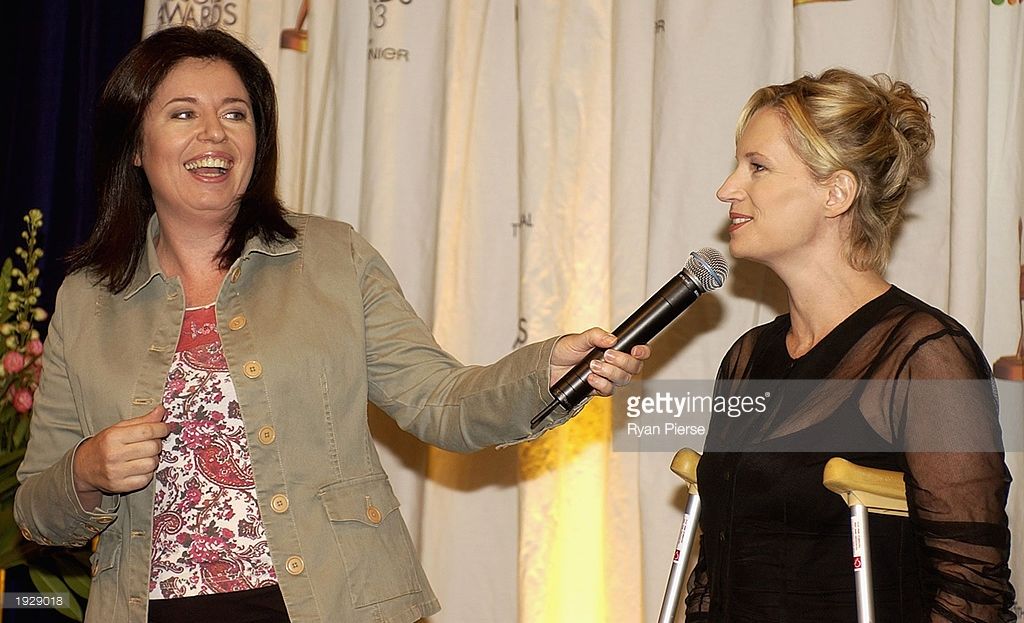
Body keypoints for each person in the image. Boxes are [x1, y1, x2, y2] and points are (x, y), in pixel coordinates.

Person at [13, 26, 650, 623]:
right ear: (134, 145)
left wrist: (544, 372)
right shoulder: (86, 299)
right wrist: (86, 470)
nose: (214, 135)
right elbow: (34, 510)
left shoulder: (332, 258)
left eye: (235, 114)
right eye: (183, 114)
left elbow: (440, 402)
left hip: (332, 599)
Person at [685, 69, 1016, 622]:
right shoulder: (747, 358)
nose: (727, 189)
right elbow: (713, 573)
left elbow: (972, 591)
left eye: (757, 167)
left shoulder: (924, 356)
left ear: (836, 193)